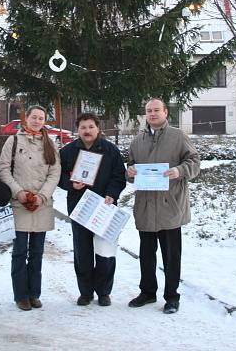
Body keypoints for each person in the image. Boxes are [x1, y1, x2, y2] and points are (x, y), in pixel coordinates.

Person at [126, 98, 200, 314]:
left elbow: (194, 163)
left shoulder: (178, 136)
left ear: (166, 112)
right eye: (149, 110)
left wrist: (180, 171)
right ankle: (148, 292)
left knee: (171, 256)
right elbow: (131, 167)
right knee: (146, 255)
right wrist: (129, 172)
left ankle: (172, 296)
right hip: (146, 207)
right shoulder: (137, 141)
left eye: (157, 110)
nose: (153, 113)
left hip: (170, 206)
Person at [59, 112, 126, 307]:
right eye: (83, 127)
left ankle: (104, 292)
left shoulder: (110, 150)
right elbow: (58, 176)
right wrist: (71, 185)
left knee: (105, 252)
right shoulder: (68, 151)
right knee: (83, 252)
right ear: (77, 130)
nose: (87, 131)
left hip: (105, 207)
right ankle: (86, 292)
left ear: (98, 128)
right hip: (80, 207)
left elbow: (118, 176)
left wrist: (112, 194)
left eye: (91, 127)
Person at [0, 105, 61, 311]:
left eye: (41, 118)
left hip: (41, 206)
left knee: (37, 252)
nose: (37, 121)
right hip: (20, 204)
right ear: (27, 119)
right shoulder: (13, 141)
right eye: (34, 117)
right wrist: (19, 193)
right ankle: (21, 295)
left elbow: (54, 173)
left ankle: (34, 293)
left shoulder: (50, 143)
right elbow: (4, 170)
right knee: (19, 251)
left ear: (44, 121)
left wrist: (41, 197)